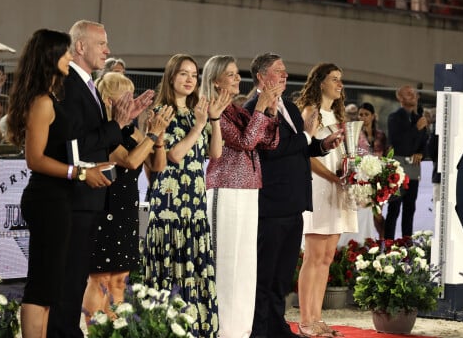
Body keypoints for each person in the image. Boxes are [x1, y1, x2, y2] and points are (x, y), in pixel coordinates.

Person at [46, 20, 154, 338]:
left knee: (79, 278)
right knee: (72, 281)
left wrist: (125, 121)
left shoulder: (88, 86)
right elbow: (80, 143)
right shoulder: (69, 85)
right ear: (80, 46)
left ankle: (76, 331)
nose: (108, 50)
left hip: (91, 199)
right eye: (102, 43)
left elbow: (98, 140)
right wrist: (119, 123)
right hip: (76, 197)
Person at [243, 52, 343, 338]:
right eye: (278, 71)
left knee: (282, 274)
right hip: (271, 204)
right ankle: (259, 330)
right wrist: (308, 137)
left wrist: (322, 144)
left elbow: (300, 147)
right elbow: (270, 148)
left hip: (294, 203)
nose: (285, 75)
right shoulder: (253, 109)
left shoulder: (288, 106)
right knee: (265, 273)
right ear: (262, 77)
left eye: (285, 71)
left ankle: (277, 326)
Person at [5, 28, 96, 338]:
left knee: (51, 288)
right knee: (42, 286)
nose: (71, 57)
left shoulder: (52, 95)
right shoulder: (42, 102)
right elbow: (36, 159)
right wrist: (79, 173)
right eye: (65, 52)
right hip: (46, 199)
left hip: (58, 199)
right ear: (51, 57)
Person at [144, 53, 229, 337]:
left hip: (194, 202)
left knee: (194, 265)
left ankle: (195, 328)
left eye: (194, 74)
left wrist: (213, 120)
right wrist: (197, 127)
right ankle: (166, 329)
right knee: (170, 266)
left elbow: (215, 153)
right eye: (183, 73)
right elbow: (174, 156)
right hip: (169, 203)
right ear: (171, 77)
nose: (190, 79)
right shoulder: (160, 112)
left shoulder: (200, 112)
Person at [82, 72, 173, 322]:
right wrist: (152, 135)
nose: (131, 100)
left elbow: (157, 165)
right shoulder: (105, 131)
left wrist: (159, 136)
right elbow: (131, 161)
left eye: (132, 94)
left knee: (120, 280)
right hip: (104, 206)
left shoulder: (132, 130)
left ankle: (115, 328)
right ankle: (94, 328)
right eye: (125, 95)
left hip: (126, 208)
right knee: (100, 278)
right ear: (110, 100)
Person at [201, 55, 280, 338]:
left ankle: (240, 329)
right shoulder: (214, 110)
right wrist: (260, 107)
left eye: (237, 74)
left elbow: (269, 141)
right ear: (215, 80)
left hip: (248, 189)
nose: (237, 79)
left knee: (246, 262)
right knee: (226, 260)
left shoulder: (235, 109)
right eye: (231, 74)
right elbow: (246, 141)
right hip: (226, 188)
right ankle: (222, 328)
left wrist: (270, 111)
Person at [295, 63, 357, 337]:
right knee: (313, 255)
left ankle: (317, 318)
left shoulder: (336, 115)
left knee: (327, 257)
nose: (339, 84)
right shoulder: (310, 111)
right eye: (334, 79)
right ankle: (306, 320)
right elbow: (305, 155)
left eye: (341, 80)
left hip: (337, 187)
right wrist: (333, 177)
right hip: (318, 187)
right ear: (320, 82)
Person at [384, 85, 428, 240]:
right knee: (394, 208)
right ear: (400, 98)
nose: (414, 95)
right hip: (399, 169)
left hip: (414, 169)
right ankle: (388, 242)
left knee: (410, 209)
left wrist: (421, 152)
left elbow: (425, 142)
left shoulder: (419, 118)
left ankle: (406, 243)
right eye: (409, 94)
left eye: (415, 93)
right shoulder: (394, 117)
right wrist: (416, 129)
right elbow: (400, 144)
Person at [356, 102, 388, 239]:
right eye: (361, 114)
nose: (363, 117)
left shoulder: (381, 135)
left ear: (373, 116)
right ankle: (364, 239)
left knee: (378, 213)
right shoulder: (355, 134)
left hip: (378, 177)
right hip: (361, 177)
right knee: (365, 211)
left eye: (366, 114)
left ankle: (382, 239)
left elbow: (386, 154)